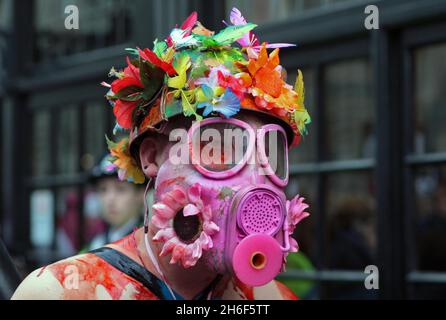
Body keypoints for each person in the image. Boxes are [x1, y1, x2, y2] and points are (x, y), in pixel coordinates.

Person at [11, 8, 311, 300]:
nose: (254, 181)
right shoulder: (63, 292)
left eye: (269, 153)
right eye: (218, 148)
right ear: (152, 156)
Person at [82, 154, 146, 252]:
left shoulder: (149, 244)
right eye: (103, 189)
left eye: (120, 189)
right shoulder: (96, 244)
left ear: (141, 194)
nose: (110, 199)